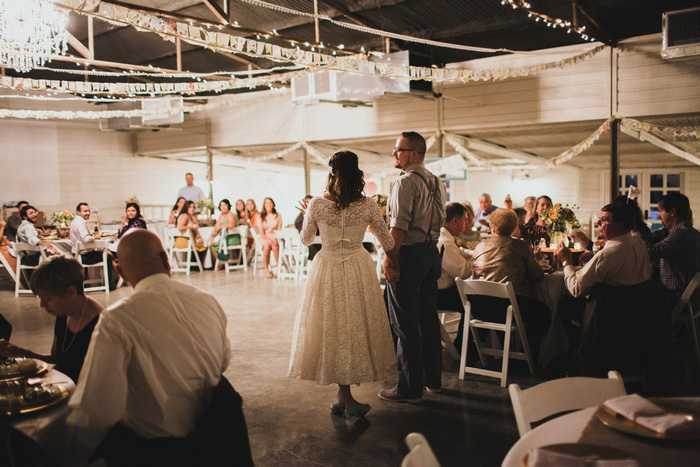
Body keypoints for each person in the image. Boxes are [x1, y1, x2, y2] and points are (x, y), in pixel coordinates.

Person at [62, 229, 249, 465]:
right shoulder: (207, 301)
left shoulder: (117, 319)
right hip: (217, 441)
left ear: (119, 271)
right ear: (165, 259)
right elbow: (222, 362)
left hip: (156, 453)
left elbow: (97, 412)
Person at [289, 151, 395, 420]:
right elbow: (389, 242)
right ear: (357, 172)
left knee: (333, 327)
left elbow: (305, 239)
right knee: (350, 327)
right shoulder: (369, 204)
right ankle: (345, 398)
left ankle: (342, 398)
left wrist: (308, 216)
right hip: (358, 267)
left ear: (331, 172)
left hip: (327, 267)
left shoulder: (316, 203)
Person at [379, 131, 446, 403]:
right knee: (428, 320)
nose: (394, 154)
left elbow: (399, 227)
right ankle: (433, 380)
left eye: (398, 149)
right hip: (432, 252)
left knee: (405, 323)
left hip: (409, 254)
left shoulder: (405, 183)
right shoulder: (435, 181)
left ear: (414, 154)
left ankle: (409, 388)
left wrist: (389, 259)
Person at [0, 257, 103, 383]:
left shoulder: (101, 325)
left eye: (47, 299)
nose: (42, 305)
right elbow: (56, 359)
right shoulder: (65, 313)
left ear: (71, 292)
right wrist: (18, 352)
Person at [471, 209, 551, 363]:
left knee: (501, 305)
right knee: (544, 314)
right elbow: (537, 276)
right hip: (512, 308)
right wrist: (534, 260)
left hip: (482, 307)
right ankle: (527, 357)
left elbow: (475, 277)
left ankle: (498, 353)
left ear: (492, 226)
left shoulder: (479, 247)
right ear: (515, 226)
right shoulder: (520, 246)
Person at [557, 203, 652, 299]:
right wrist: (595, 258)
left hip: (611, 309)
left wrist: (567, 261)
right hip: (640, 306)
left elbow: (576, 289)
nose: (597, 222)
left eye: (603, 220)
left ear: (619, 226)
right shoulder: (639, 242)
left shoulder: (607, 255)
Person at [644, 192, 700, 297]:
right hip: (688, 296)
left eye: (660, 211)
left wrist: (636, 238)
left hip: (676, 296)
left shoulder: (681, 233)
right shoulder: (690, 231)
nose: (658, 215)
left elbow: (651, 253)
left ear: (672, 212)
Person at [437, 202, 473, 352]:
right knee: (474, 301)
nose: (466, 224)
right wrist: (477, 261)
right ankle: (464, 348)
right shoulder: (444, 241)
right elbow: (462, 271)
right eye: (465, 220)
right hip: (439, 294)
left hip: (438, 289)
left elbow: (459, 254)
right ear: (455, 220)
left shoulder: (444, 236)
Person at [257, 197, 282, 278]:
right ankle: (266, 269)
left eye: (270, 202)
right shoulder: (260, 216)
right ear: (264, 205)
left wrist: (275, 238)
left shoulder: (278, 215)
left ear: (273, 204)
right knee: (267, 245)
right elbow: (261, 233)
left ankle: (279, 268)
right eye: (266, 203)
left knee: (274, 245)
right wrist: (268, 239)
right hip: (265, 237)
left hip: (275, 236)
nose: (268, 204)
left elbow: (279, 230)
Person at [210, 199, 240, 266]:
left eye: (225, 205)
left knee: (214, 247)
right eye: (221, 205)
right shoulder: (220, 216)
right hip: (224, 238)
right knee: (212, 245)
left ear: (228, 206)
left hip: (232, 237)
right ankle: (223, 261)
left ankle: (222, 262)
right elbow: (215, 228)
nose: (223, 207)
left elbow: (231, 225)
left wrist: (221, 227)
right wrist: (212, 237)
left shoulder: (231, 215)